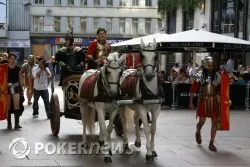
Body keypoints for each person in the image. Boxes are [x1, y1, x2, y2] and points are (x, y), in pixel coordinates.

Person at [189, 56, 221, 152]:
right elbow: (193, 89)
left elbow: (221, 90)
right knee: (201, 122)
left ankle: (211, 143)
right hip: (203, 100)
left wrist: (225, 100)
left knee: (214, 122)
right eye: (209, 65)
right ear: (206, 65)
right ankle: (198, 131)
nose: (210, 67)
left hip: (213, 100)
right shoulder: (199, 75)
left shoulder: (217, 76)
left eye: (212, 65)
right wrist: (191, 102)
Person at [7, 53, 24, 129]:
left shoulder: (18, 68)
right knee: (8, 106)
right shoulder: (4, 68)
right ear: (8, 59)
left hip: (16, 86)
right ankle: (9, 124)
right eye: (11, 58)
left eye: (14, 58)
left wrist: (22, 89)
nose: (13, 60)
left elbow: (20, 78)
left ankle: (16, 123)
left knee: (16, 105)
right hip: (7, 87)